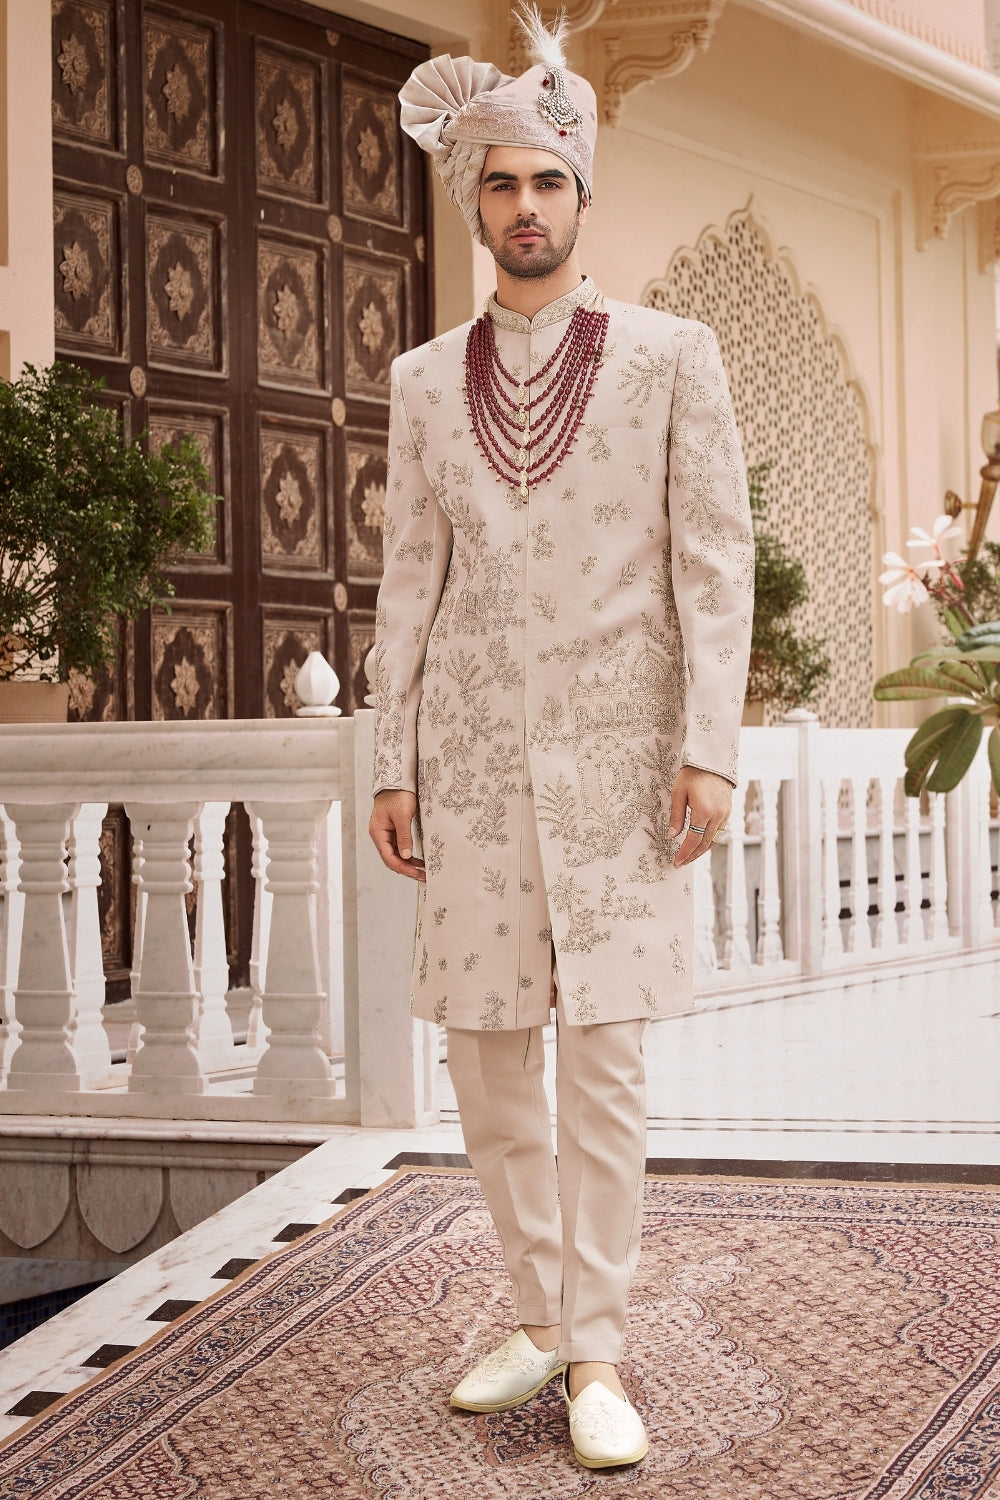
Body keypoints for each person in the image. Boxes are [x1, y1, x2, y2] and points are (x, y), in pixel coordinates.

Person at [369, 4, 753, 1470]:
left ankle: (595, 1348)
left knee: (599, 1062)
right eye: (500, 183)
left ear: (586, 197)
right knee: (485, 1055)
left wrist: (707, 743)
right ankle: (535, 1306)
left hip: (618, 763)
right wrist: (393, 759)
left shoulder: (672, 357)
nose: (525, 207)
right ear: (472, 199)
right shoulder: (418, 383)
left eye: (548, 182)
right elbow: (413, 571)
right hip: (468, 762)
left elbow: (712, 562)